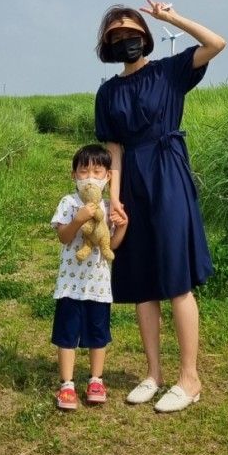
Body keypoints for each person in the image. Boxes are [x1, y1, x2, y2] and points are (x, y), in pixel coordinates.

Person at [94, 0, 226, 413]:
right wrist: (114, 199)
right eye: (118, 35)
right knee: (141, 283)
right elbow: (113, 148)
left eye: (132, 32)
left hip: (168, 174)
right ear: (108, 44)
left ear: (145, 36)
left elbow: (216, 43)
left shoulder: (169, 72)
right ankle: (153, 374)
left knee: (176, 280)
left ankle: (190, 378)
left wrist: (171, 18)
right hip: (131, 179)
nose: (127, 39)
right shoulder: (108, 91)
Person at [50, 143, 129, 411]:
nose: (90, 177)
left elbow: (112, 246)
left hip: (98, 286)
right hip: (70, 285)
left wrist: (122, 226)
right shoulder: (68, 203)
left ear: (108, 177)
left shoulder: (108, 206)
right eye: (84, 171)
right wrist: (77, 219)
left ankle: (96, 380)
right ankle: (67, 384)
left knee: (98, 334)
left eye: (97, 171)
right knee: (66, 334)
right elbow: (63, 237)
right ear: (74, 175)